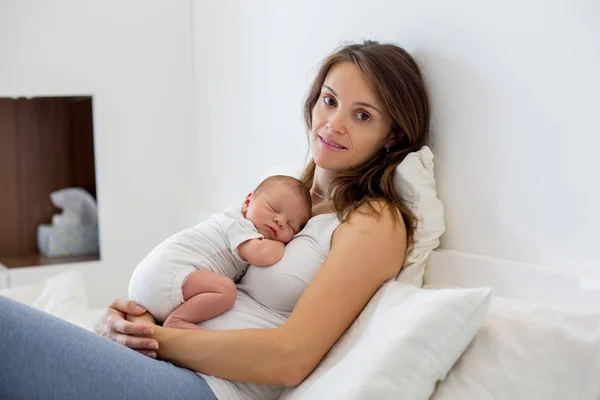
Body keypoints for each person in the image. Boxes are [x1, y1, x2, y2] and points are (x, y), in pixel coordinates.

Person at [0, 40, 430, 400]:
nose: (332, 124)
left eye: (362, 115)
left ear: (393, 135)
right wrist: (138, 318)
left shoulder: (373, 220)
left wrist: (153, 340)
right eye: (330, 100)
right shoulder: (284, 204)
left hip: (206, 388)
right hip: (170, 364)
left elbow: (290, 357)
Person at [128, 175, 311, 330]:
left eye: (290, 225)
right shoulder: (238, 223)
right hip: (165, 275)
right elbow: (262, 255)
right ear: (248, 202)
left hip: (153, 283)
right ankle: (178, 321)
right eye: (273, 209)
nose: (280, 221)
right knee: (225, 290)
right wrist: (281, 245)